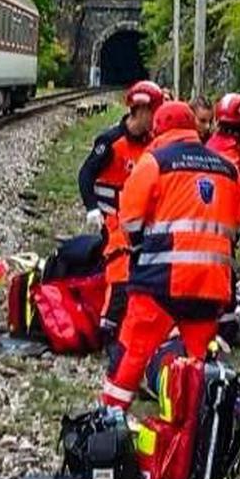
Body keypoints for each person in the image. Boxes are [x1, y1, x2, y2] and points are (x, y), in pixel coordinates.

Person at [99, 101, 240, 410]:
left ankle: (110, 418)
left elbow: (129, 220)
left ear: (159, 129)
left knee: (133, 352)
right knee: (196, 362)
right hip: (210, 284)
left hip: (161, 281)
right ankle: (195, 427)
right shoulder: (227, 167)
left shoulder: (153, 161)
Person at [80, 80, 165, 338]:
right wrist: (92, 208)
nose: (157, 118)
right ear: (139, 111)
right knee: (120, 265)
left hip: (140, 219)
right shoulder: (110, 142)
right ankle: (109, 327)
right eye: (154, 112)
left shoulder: (152, 144)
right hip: (112, 217)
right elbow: (86, 174)